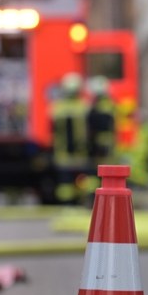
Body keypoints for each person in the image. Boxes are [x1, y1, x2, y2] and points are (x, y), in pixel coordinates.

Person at [49, 72, 92, 203]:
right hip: (81, 153)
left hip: (63, 154)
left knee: (65, 184)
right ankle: (85, 202)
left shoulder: (57, 107)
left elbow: (52, 129)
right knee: (84, 181)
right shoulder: (84, 106)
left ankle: (68, 205)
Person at [86, 76, 116, 162]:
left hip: (98, 145)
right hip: (111, 143)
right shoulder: (111, 105)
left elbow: (90, 127)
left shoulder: (95, 108)